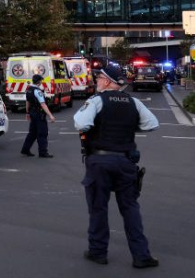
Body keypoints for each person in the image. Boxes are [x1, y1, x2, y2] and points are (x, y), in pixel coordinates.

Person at [75, 69, 160, 269]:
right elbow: (152, 124)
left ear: (106, 81)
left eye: (98, 78)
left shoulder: (97, 101)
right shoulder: (133, 102)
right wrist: (129, 127)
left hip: (100, 161)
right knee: (130, 208)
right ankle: (141, 256)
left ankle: (98, 252)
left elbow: (81, 123)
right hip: (125, 161)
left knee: (98, 208)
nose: (97, 81)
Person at [20, 74, 56, 158]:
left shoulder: (29, 89)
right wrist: (50, 115)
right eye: (41, 81)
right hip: (39, 114)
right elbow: (43, 104)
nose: (41, 82)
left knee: (32, 133)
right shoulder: (37, 91)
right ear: (39, 81)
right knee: (42, 133)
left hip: (32, 113)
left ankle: (25, 149)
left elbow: (27, 102)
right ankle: (43, 152)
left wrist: (27, 112)